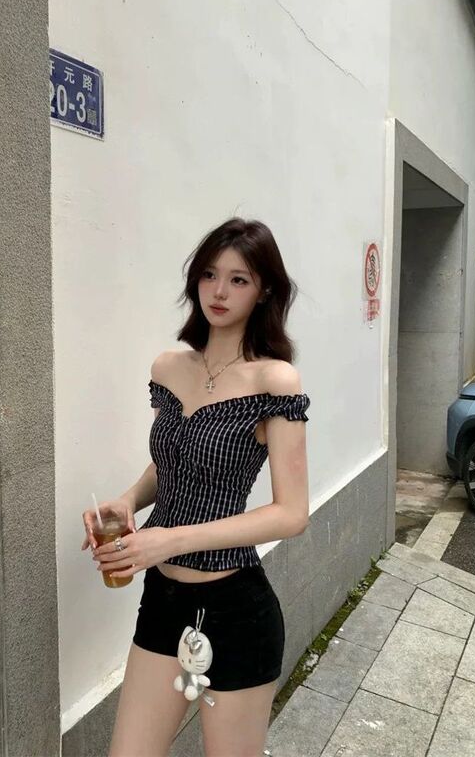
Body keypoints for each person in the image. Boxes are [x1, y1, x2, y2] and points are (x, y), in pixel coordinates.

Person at [81, 217, 311, 756]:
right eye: (209, 274)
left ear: (264, 290)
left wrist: (169, 539)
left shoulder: (274, 380)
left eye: (239, 279)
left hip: (236, 608)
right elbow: (173, 463)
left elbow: (292, 513)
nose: (219, 291)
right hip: (162, 601)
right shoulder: (169, 367)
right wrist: (128, 501)